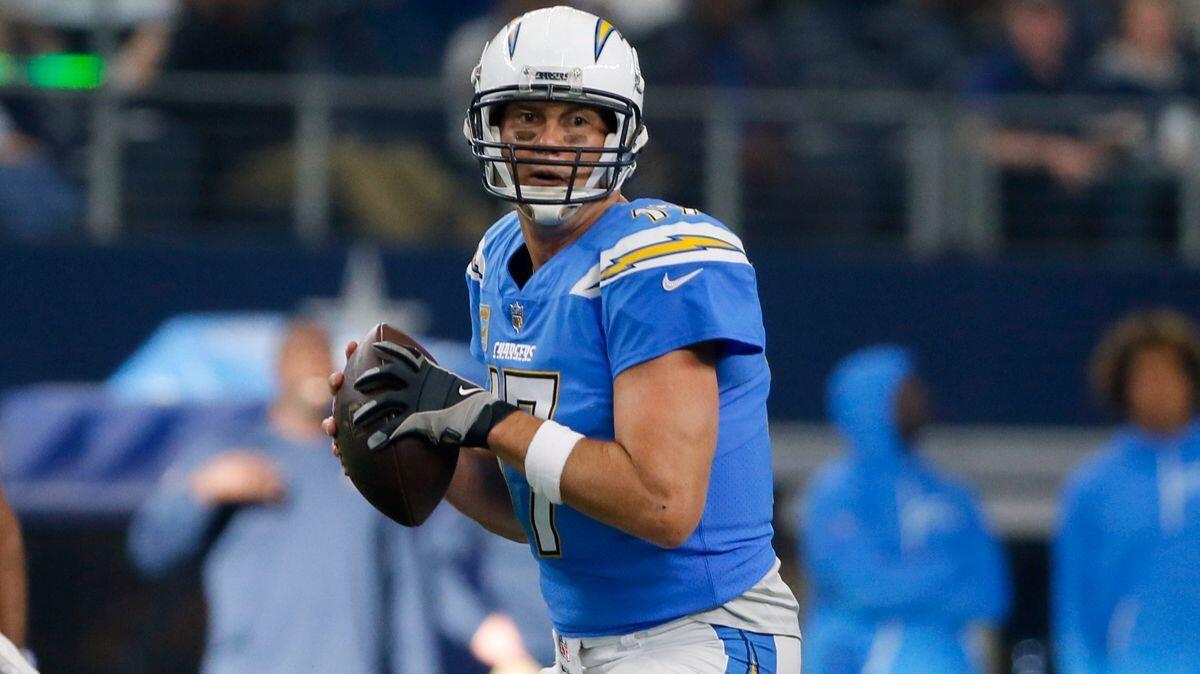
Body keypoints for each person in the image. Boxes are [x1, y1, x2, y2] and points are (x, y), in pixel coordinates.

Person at [325, 6, 801, 673]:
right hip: (583, 644)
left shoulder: (662, 259)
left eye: (578, 119)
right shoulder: (497, 262)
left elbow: (662, 505)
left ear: (622, 134)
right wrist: (418, 431)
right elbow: (535, 511)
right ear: (489, 128)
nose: (549, 140)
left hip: (700, 636)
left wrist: (484, 419)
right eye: (526, 118)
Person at [129, 321, 437, 674]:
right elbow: (149, 551)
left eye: (322, 355)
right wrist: (200, 491)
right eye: (301, 354)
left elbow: (406, 600)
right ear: (278, 367)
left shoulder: (370, 464)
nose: (313, 366)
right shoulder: (229, 454)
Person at [801, 346, 1010, 674]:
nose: (920, 400)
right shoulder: (834, 492)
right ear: (868, 402)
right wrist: (944, 574)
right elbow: (859, 585)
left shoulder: (953, 493)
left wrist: (900, 581)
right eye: (904, 391)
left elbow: (989, 594)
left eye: (917, 388)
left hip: (947, 662)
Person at [1054, 309, 1200, 674]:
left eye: (1169, 373)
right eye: (1144, 377)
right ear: (1122, 387)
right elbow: (1073, 610)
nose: (1158, 388)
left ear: (1191, 382)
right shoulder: (1091, 486)